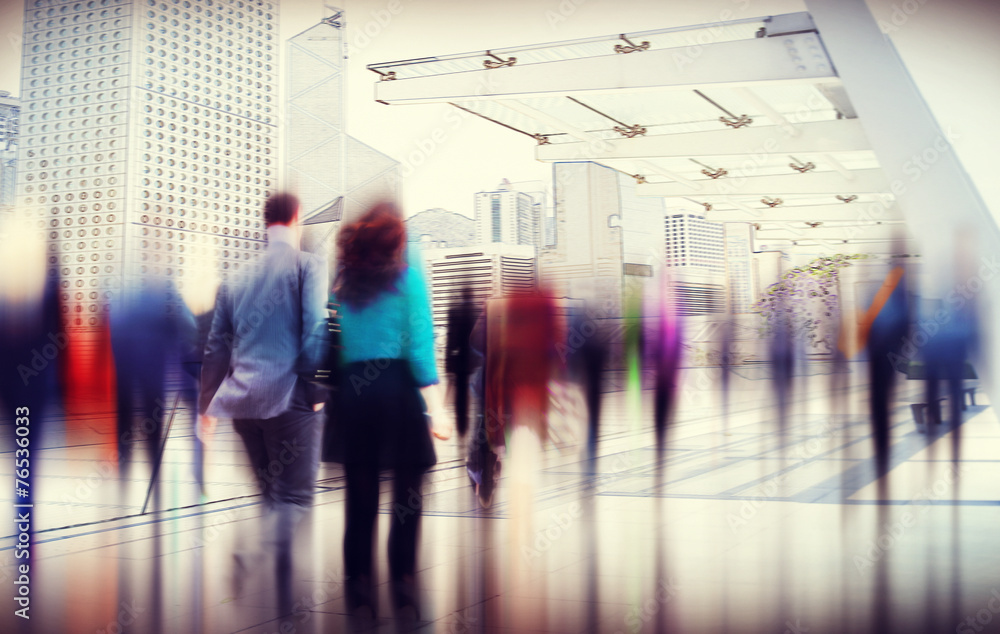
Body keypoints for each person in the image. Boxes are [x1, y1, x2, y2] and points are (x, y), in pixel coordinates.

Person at [199, 192, 329, 616]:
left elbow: (216, 346)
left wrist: (206, 407)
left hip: (242, 403)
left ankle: (284, 600)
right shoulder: (307, 266)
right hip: (289, 397)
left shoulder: (236, 276)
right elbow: (313, 329)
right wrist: (312, 388)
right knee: (294, 499)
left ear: (265, 221)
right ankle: (251, 555)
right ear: (297, 218)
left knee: (272, 497)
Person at [328, 201, 441, 619]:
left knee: (360, 499)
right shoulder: (408, 280)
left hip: (355, 395)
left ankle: (357, 586)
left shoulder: (344, 284)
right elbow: (420, 343)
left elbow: (336, 347)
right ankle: (403, 582)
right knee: (407, 494)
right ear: (396, 241)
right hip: (396, 390)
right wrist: (436, 403)